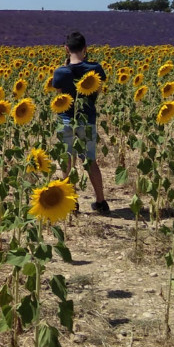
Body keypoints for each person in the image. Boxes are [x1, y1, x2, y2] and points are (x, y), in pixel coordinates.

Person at [51, 31, 109, 214]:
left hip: (66, 119)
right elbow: (97, 91)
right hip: (87, 120)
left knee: (67, 161)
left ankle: (72, 202)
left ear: (66, 49)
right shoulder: (96, 69)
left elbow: (60, 96)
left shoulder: (60, 71)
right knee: (90, 161)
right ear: (85, 48)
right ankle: (101, 201)